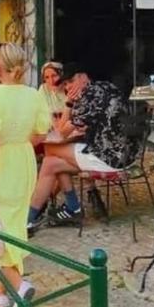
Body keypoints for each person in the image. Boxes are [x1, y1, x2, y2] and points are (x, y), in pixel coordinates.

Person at [0, 43, 51, 307]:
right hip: (25, 158)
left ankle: (19, 284)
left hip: (2, 162)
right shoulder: (34, 96)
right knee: (15, 222)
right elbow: (41, 133)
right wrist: (22, 143)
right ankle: (2, 291)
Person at [27, 65, 141, 231]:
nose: (69, 87)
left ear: (83, 77)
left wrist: (69, 103)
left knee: (50, 152)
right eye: (65, 84)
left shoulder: (88, 97)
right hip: (126, 153)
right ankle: (54, 212)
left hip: (109, 157)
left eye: (72, 81)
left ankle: (41, 215)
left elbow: (61, 132)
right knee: (51, 163)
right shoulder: (105, 86)